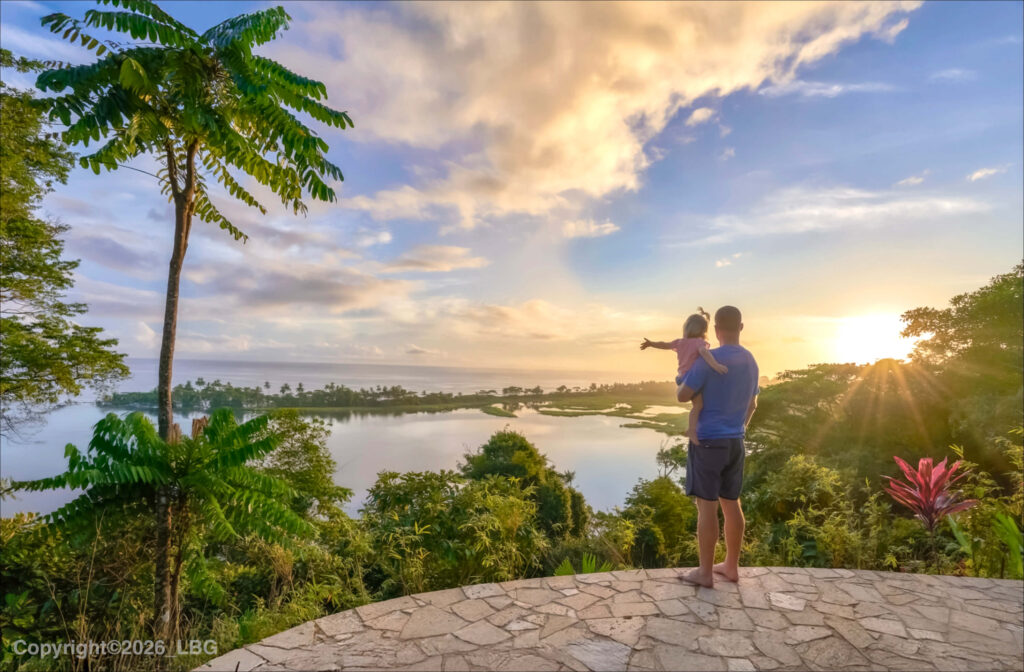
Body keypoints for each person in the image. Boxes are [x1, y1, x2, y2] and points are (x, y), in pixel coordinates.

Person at [675, 306, 759, 588]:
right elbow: (753, 403)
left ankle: (705, 573)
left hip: (708, 441)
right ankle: (731, 567)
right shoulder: (750, 361)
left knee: (706, 508)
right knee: (732, 504)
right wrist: (740, 428)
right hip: (735, 442)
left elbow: (682, 395)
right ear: (741, 327)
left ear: (716, 330)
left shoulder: (706, 359)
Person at [640, 308, 728, 445]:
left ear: (686, 328)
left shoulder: (680, 342)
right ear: (703, 331)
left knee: (697, 404)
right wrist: (716, 366)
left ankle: (692, 429)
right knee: (698, 405)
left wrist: (651, 344)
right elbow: (704, 353)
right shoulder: (699, 343)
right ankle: (692, 430)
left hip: (681, 378)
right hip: (690, 378)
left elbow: (664, 344)